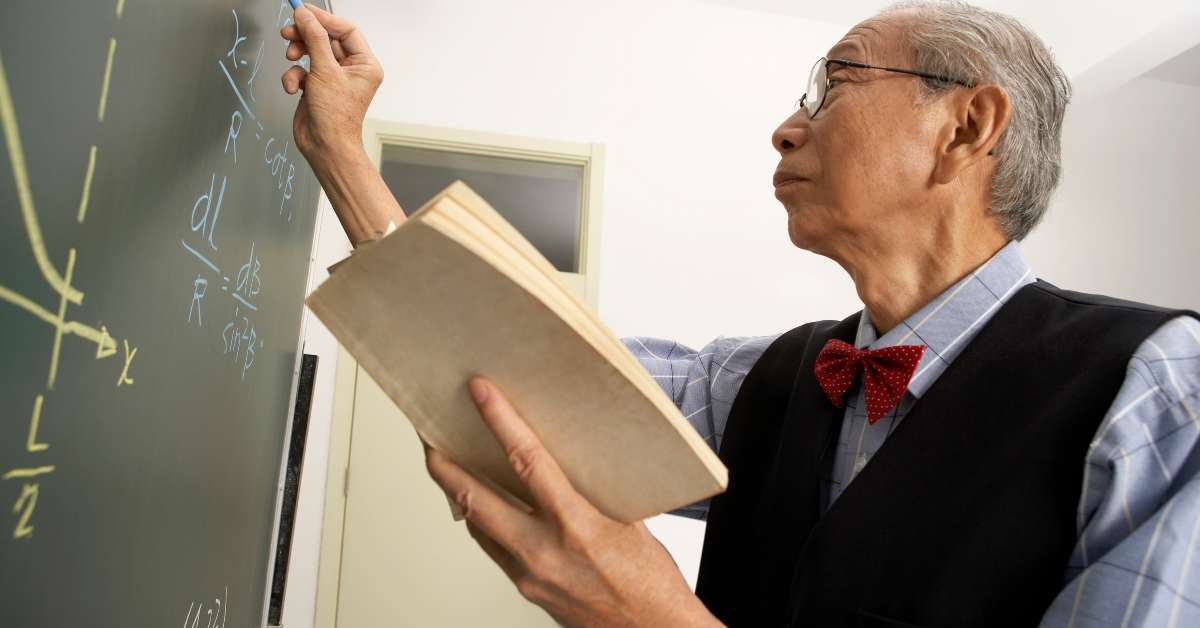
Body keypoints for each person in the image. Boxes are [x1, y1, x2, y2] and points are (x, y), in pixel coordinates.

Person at [279, 1, 1200, 626]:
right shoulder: (766, 380)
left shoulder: (1153, 392)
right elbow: (516, 374)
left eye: (835, 86)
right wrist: (342, 152)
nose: (787, 127)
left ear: (966, 127)